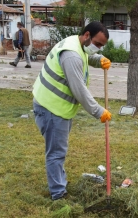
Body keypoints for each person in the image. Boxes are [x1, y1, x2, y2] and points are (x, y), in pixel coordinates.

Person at [32, 21, 112, 200]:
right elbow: (79, 90)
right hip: (51, 108)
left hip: (54, 106)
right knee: (56, 153)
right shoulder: (72, 55)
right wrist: (99, 111)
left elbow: (85, 55)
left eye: (101, 46)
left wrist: (98, 60)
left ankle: (59, 183)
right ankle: (58, 194)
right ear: (87, 35)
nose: (98, 48)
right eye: (97, 44)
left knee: (58, 150)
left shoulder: (75, 43)